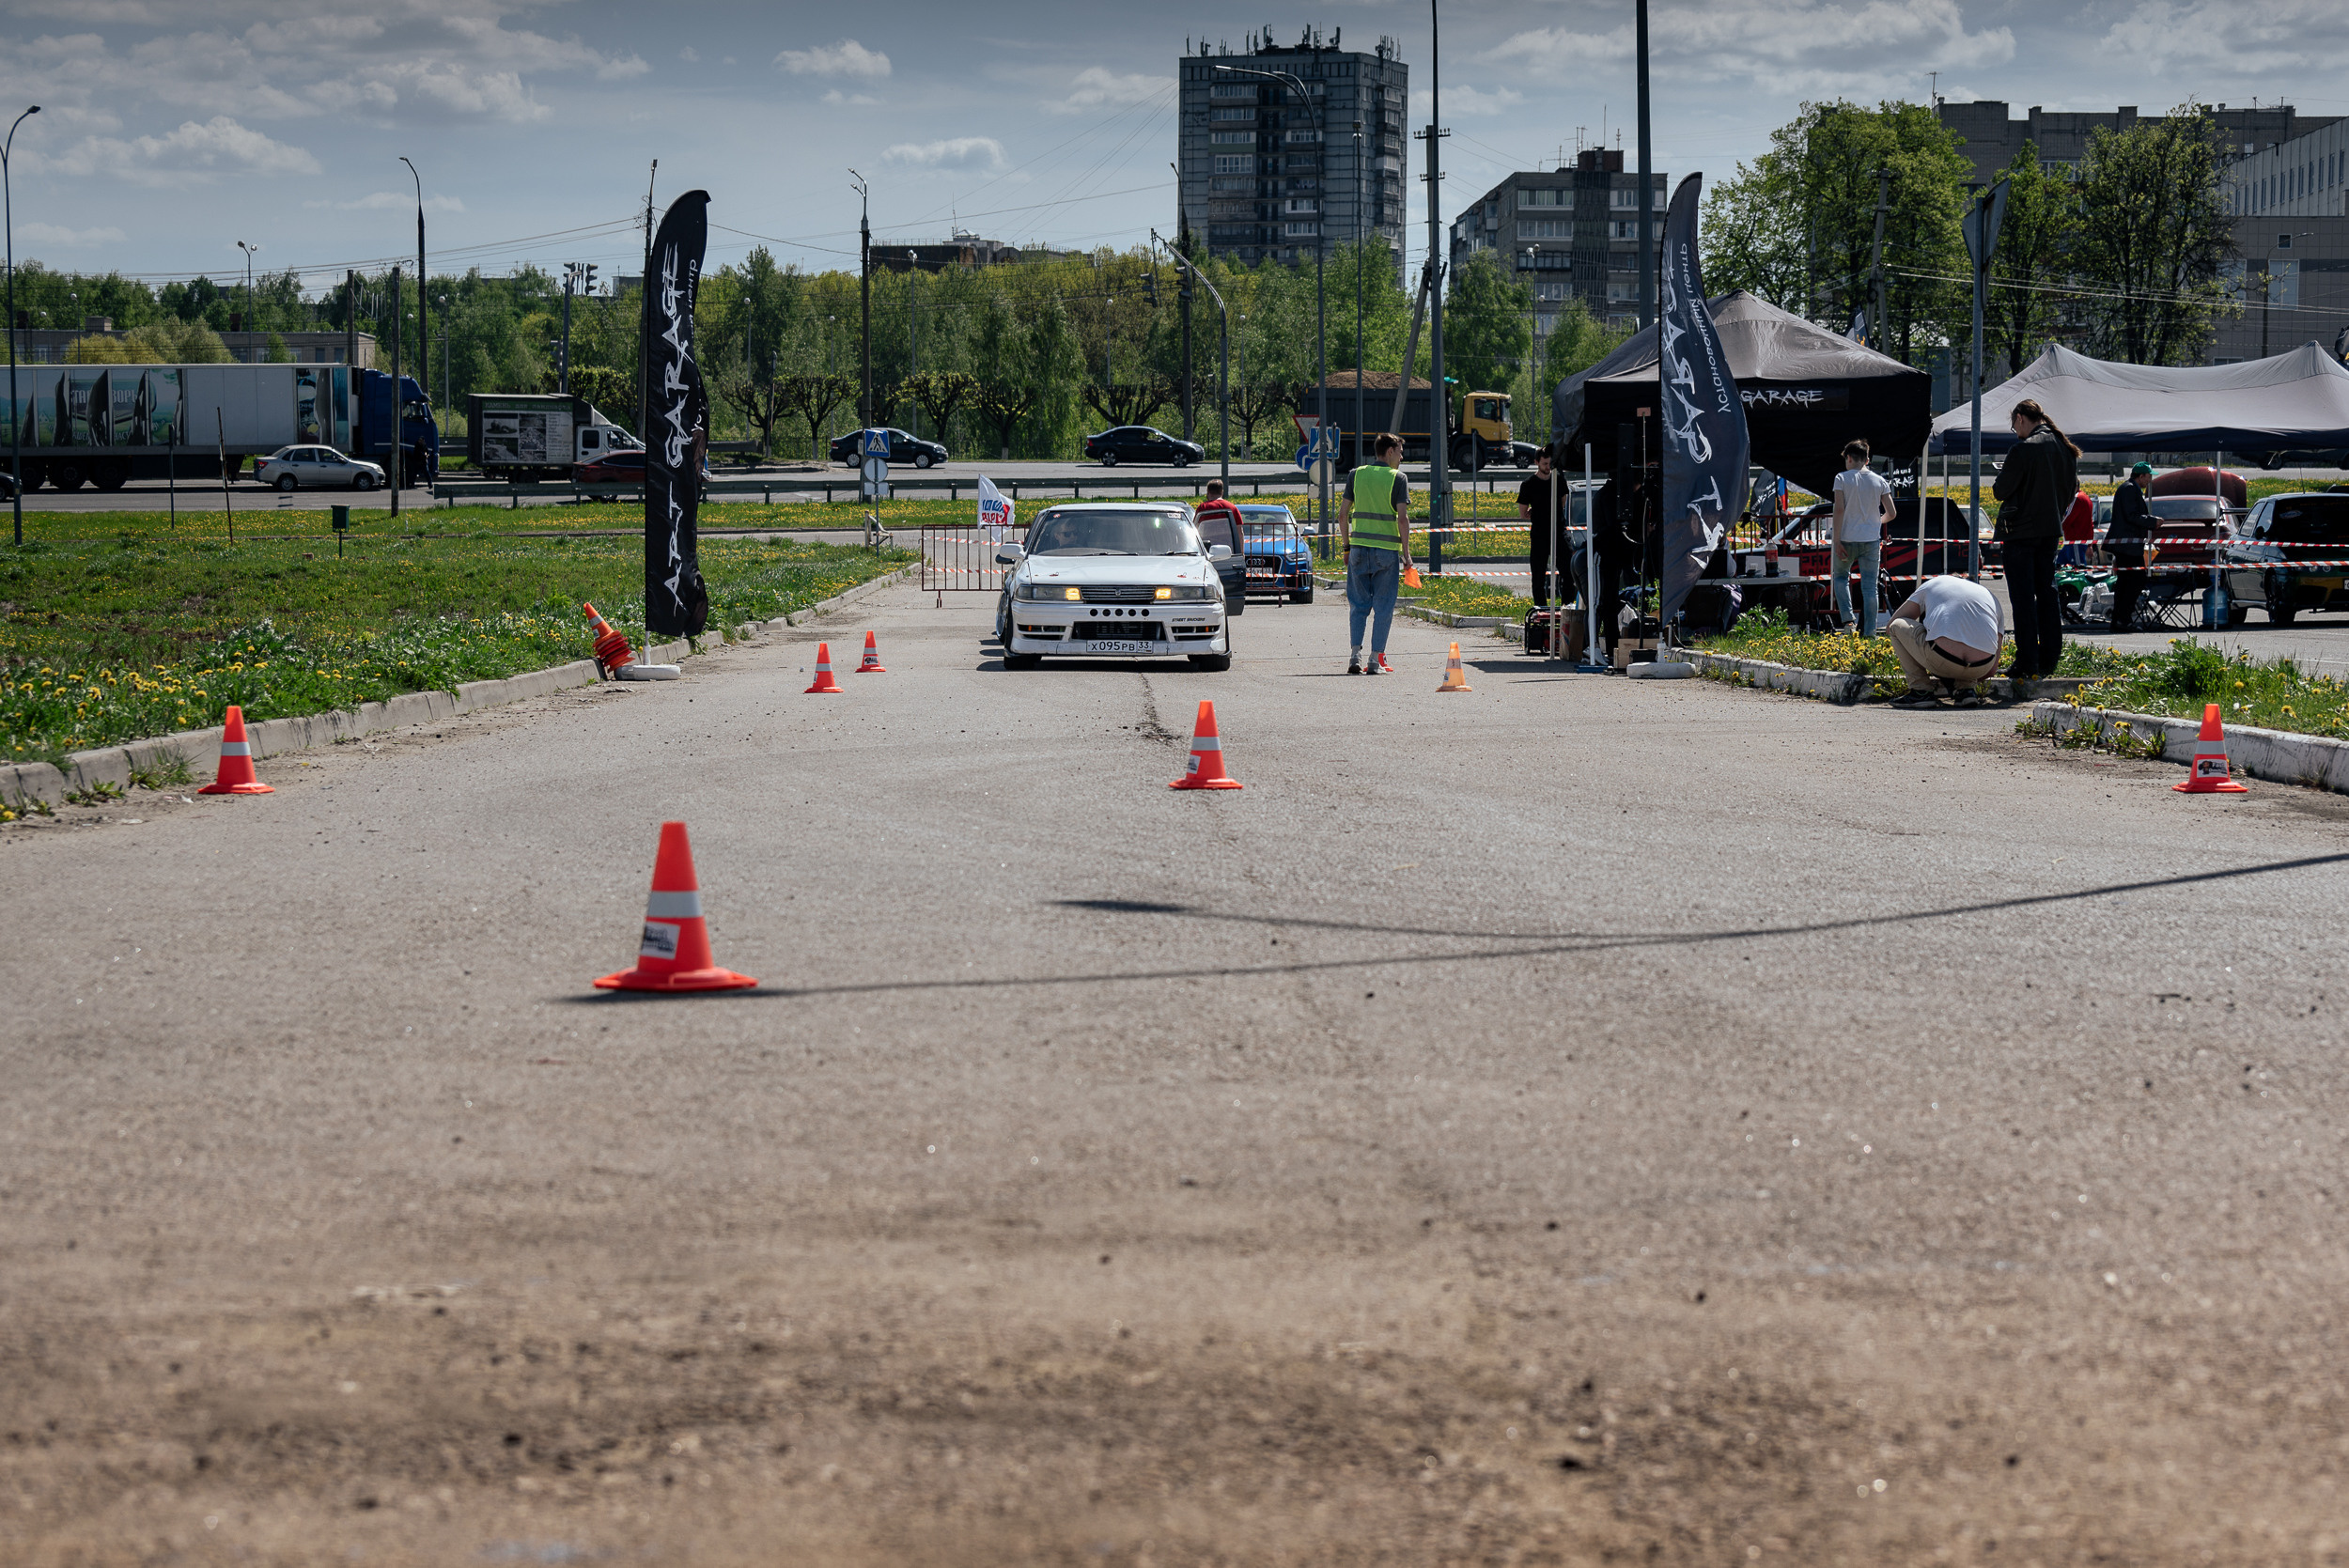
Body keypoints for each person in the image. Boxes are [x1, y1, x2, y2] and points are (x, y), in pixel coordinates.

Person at [1991, 396, 2081, 683]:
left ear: (2020, 418)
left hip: (2020, 533)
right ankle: (2050, 657)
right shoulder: (2065, 449)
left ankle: (2027, 660)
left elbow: (2000, 490)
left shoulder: (2023, 449)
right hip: (2050, 532)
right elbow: (2070, 493)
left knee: (2023, 598)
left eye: (2014, 426)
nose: (2015, 432)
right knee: (2047, 594)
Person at [1339, 432, 1414, 674]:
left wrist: (1346, 547)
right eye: (1400, 452)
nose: (1401, 457)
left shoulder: (1356, 474)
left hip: (1359, 550)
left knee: (1358, 605)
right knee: (1383, 607)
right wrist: (1407, 554)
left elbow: (1342, 515)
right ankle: (1374, 660)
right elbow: (1402, 519)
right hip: (1386, 554)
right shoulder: (1398, 479)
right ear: (1390, 451)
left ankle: (1354, 657)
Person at [1886, 574, 2004, 708]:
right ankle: (1966, 691)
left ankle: (1921, 691)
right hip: (1982, 667)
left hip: (1941, 659)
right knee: (1971, 638)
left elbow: (1891, 626)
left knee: (1897, 626)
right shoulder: (1991, 598)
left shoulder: (1934, 583)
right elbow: (1992, 670)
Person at [1829, 439, 1894, 635]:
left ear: (1848, 458)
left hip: (1847, 538)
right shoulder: (1879, 480)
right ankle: (1870, 633)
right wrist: (1877, 521)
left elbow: (1839, 509)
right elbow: (1891, 513)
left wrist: (1837, 539)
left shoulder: (1841, 478)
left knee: (1840, 578)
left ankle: (1848, 621)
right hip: (1871, 540)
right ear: (1867, 460)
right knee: (1870, 588)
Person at [2106, 461, 2155, 630]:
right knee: (2135, 580)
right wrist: (2153, 522)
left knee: (2126, 582)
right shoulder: (2129, 489)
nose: (2149, 480)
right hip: (2127, 546)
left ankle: (2120, 620)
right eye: (2148, 477)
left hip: (2129, 545)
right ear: (2141, 476)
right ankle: (2122, 618)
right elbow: (2132, 515)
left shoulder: (2130, 488)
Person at [1517, 446, 1566, 607]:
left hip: (1559, 531)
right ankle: (1541, 608)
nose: (1548, 467)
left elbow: (1563, 502)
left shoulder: (1559, 479)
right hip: (1539, 534)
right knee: (1538, 576)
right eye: (1545, 464)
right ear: (1536, 462)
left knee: (1567, 572)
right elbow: (1523, 513)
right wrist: (1534, 509)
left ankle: (1566, 606)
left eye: (1550, 464)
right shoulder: (1528, 484)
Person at [2058, 487, 2096, 566]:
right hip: (2075, 542)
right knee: (2059, 564)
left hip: (2075, 542)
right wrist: (2089, 544)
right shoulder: (2086, 498)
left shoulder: (2076, 498)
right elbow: (2090, 524)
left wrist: (2056, 529)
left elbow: (2067, 519)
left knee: (2078, 570)